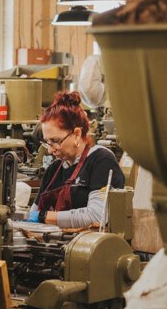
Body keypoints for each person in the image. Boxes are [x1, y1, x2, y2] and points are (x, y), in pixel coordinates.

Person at [27, 92, 124, 228]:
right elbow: (33, 214)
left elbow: (97, 216)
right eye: (47, 142)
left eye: (55, 141)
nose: (50, 150)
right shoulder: (54, 170)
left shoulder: (102, 161)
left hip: (88, 247)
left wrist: (44, 216)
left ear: (77, 134)